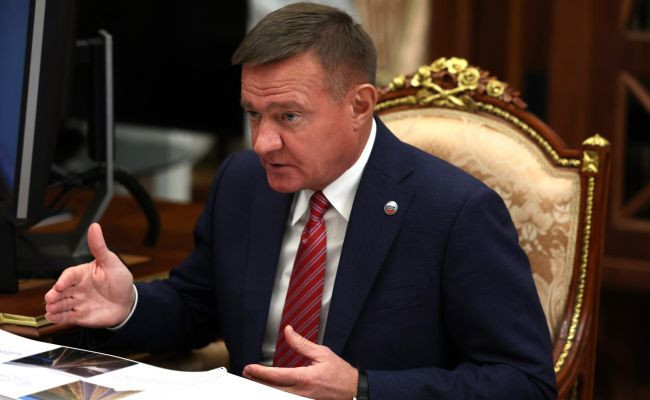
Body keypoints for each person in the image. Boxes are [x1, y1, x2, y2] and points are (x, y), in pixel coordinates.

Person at [44, 3, 557, 399]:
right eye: (253, 114)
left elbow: (524, 382)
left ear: (360, 105)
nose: (263, 143)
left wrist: (362, 388)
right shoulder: (243, 181)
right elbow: (199, 307)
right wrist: (127, 305)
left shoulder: (455, 212)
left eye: (288, 116)